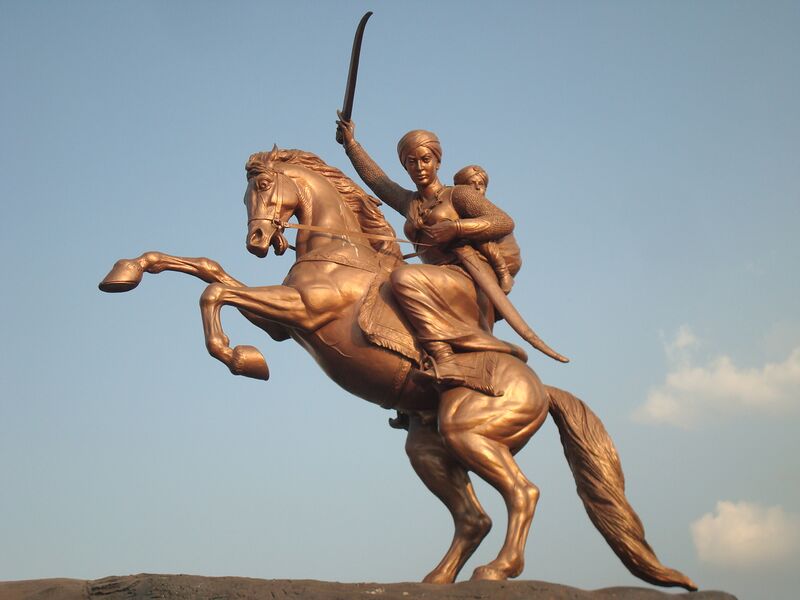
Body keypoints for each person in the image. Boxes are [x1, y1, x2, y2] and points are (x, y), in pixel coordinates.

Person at [336, 116, 523, 386]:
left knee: (403, 279)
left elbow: (503, 221)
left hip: (466, 275)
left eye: (425, 159)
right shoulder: (408, 201)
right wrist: (351, 145)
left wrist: (456, 228)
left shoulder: (457, 195)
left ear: (437, 161)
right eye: (411, 162)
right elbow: (378, 181)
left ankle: (444, 358)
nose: (420, 167)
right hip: (438, 278)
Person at [452, 165, 515, 294]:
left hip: (501, 255)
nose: (477, 187)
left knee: (480, 236)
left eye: (481, 184)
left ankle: (503, 272)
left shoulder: (486, 210)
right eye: (472, 184)